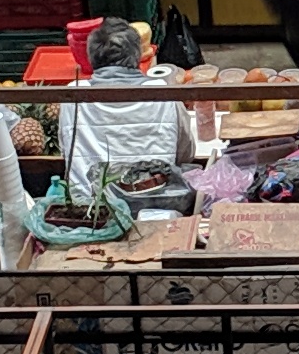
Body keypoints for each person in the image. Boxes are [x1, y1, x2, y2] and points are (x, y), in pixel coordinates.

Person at [58, 16, 197, 210]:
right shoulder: (162, 92)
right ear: (138, 55)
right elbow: (186, 154)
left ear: (91, 58)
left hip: (92, 209)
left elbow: (66, 151)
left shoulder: (73, 95)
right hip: (155, 205)